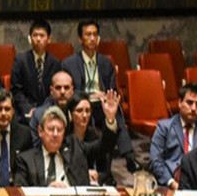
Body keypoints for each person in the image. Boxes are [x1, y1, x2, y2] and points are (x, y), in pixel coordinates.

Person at [61, 19, 136, 171]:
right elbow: (70, 93)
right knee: (89, 113)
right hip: (82, 104)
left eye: (95, 35)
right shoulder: (69, 64)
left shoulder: (106, 63)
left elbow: (112, 89)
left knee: (115, 112)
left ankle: (129, 156)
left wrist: (107, 96)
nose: (92, 38)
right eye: (88, 35)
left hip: (102, 105)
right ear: (80, 39)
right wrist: (88, 96)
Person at [14, 89, 120, 187]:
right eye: (51, 129)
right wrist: (47, 190)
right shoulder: (26, 160)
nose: (55, 134)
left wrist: (110, 118)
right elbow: (20, 193)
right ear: (40, 131)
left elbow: (104, 146)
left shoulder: (75, 149)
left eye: (59, 130)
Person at [149, 82, 197, 190]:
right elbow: (155, 161)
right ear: (180, 103)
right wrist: (172, 183)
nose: (194, 108)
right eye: (189, 103)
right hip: (170, 183)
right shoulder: (164, 127)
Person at [10, 19, 61, 123]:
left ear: (49, 39)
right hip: (25, 111)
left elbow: (55, 91)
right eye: (35, 35)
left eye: (42, 36)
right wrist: (28, 108)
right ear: (30, 38)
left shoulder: (55, 63)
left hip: (48, 110)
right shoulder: (20, 61)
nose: (38, 39)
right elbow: (16, 91)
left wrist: (43, 110)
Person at [65, 91, 115, 186]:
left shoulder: (96, 136)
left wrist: (110, 118)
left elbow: (105, 171)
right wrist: (83, 174)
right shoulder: (63, 137)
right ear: (70, 113)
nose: (84, 115)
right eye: (79, 111)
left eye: (87, 111)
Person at [29, 70, 75, 146]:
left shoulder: (78, 110)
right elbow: (37, 147)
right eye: (58, 88)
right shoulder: (39, 115)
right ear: (51, 91)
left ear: (72, 91)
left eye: (66, 88)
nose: (62, 92)